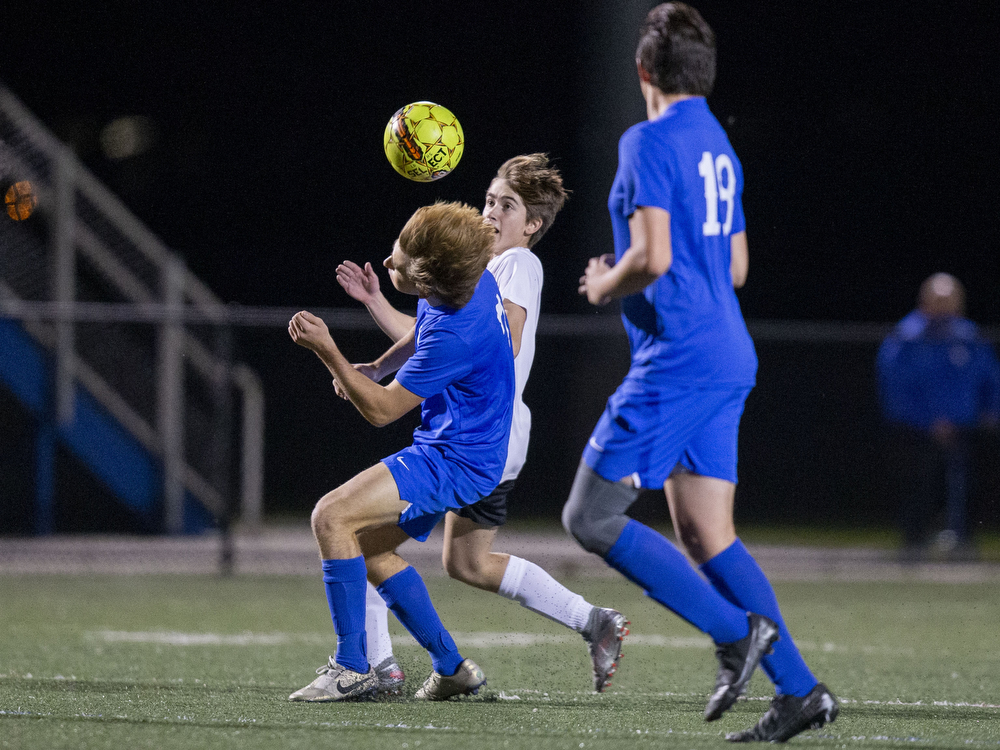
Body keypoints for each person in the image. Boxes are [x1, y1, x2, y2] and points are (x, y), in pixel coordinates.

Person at [561, 3, 838, 742]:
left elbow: (650, 258)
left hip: (678, 358)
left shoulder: (646, 140)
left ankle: (732, 634)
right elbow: (738, 266)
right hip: (726, 351)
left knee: (588, 516)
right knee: (707, 534)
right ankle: (801, 691)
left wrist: (602, 283)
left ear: (643, 70)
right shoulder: (719, 141)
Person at [334, 154, 630, 696]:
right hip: (482, 432)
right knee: (466, 562)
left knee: (364, 535)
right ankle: (594, 621)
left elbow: (494, 338)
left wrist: (390, 357)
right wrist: (380, 350)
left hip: (479, 437)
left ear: (532, 225)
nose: (492, 211)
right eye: (490, 199)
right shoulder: (480, 269)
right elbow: (434, 340)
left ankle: (377, 665)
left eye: (508, 205)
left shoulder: (516, 264)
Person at [286, 201, 514, 702]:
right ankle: (452, 667)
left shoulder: (458, 333)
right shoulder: (473, 283)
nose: (389, 262)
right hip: (468, 451)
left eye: (400, 260)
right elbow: (422, 330)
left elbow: (383, 412)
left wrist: (331, 353)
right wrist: (377, 366)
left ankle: (351, 667)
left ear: (428, 280)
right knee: (366, 546)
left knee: (331, 517)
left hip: (455, 459)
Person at [876, 273, 1000, 561]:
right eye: (938, 300)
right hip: (917, 429)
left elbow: (990, 379)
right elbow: (895, 385)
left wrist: (991, 412)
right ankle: (913, 544)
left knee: (968, 485)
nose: (944, 307)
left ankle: (963, 542)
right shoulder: (907, 337)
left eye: (950, 300)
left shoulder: (968, 336)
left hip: (966, 427)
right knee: (919, 484)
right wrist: (929, 420)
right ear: (925, 301)